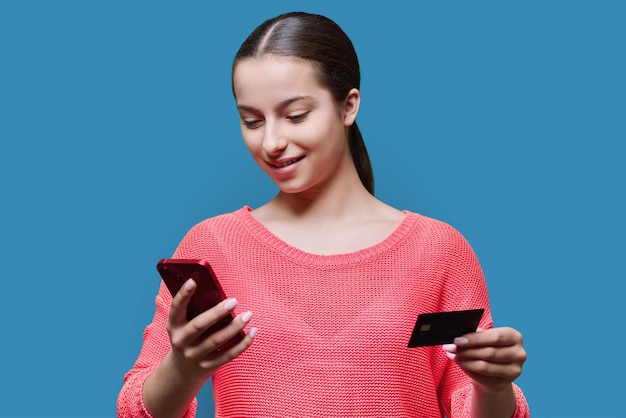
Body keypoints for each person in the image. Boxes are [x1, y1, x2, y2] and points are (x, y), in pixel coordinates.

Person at [117, 11, 529, 418]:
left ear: (348, 106)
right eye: (252, 121)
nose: (272, 141)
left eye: (296, 115)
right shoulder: (213, 245)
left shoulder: (438, 251)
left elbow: (469, 406)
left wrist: (492, 386)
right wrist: (183, 369)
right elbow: (135, 409)